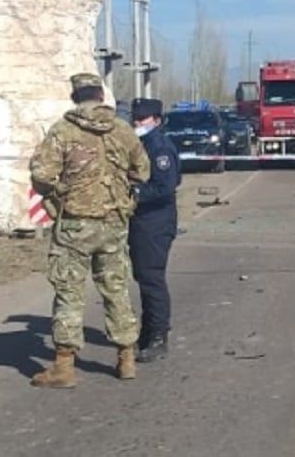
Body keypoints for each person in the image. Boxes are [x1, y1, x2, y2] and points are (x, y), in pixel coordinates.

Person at [28, 73, 152, 388]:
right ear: (101, 96)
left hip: (74, 225)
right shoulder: (123, 131)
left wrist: (60, 188)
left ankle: (64, 367)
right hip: (113, 224)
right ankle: (126, 358)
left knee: (69, 291)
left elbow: (41, 175)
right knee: (116, 289)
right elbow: (143, 171)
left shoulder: (63, 131)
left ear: (75, 97)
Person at [128, 97, 181, 362]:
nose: (138, 124)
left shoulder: (158, 147)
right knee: (144, 276)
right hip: (143, 221)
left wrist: (134, 193)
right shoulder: (143, 144)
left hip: (155, 221)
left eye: (143, 120)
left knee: (151, 278)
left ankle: (158, 336)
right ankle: (149, 332)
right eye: (135, 120)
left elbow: (165, 186)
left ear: (156, 121)